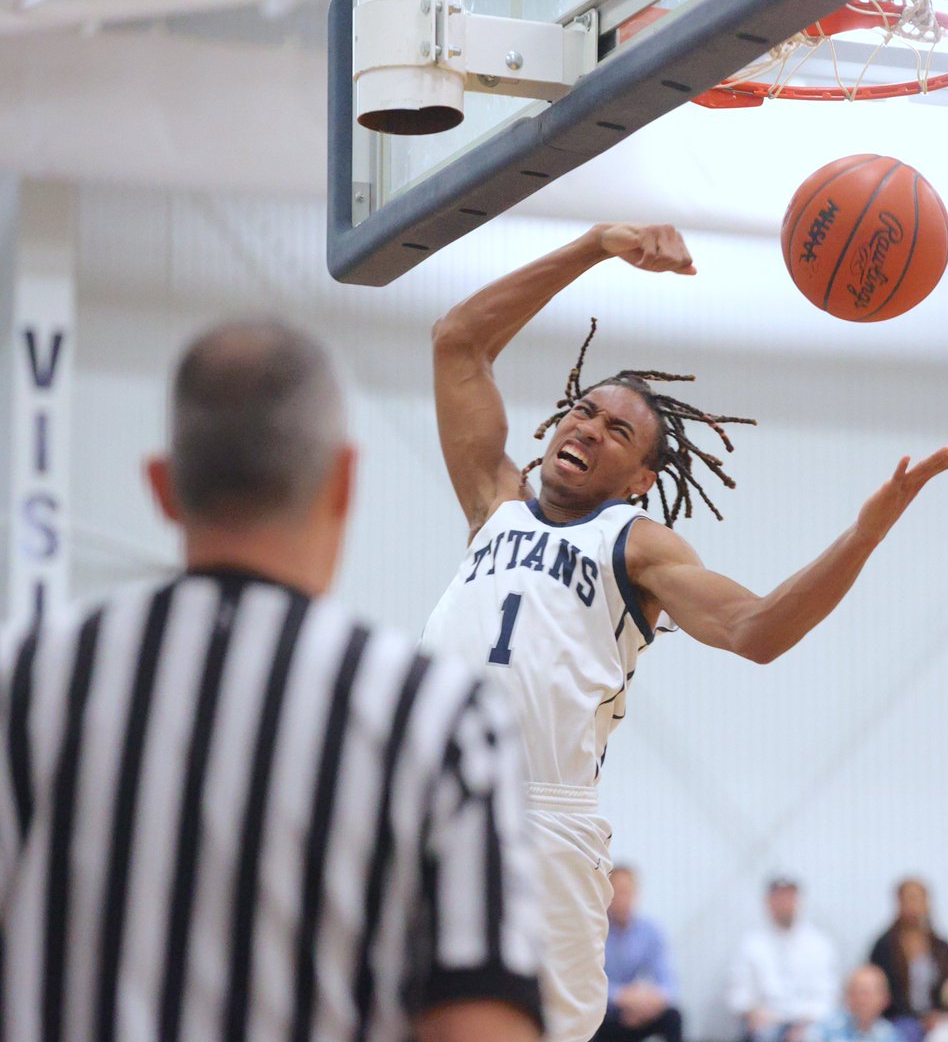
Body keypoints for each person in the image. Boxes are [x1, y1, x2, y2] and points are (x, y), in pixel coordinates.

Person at [421, 222, 948, 1042]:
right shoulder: (491, 500)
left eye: (618, 431)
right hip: (431, 793)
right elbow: (458, 341)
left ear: (643, 479)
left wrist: (863, 535)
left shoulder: (635, 544)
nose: (588, 429)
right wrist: (596, 247)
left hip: (547, 816)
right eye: (583, 410)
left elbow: (757, 629)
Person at [0, 320, 544, 1042]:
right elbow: (480, 1024)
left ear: (163, 487)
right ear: (344, 480)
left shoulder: (26, 676)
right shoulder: (437, 713)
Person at [727, 877, 839, 1042]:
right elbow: (739, 991)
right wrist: (751, 1013)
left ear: (798, 901)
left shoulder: (818, 944)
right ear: (768, 902)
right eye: (778, 898)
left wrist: (802, 1024)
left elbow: (827, 995)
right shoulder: (751, 943)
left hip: (808, 1023)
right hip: (766, 1021)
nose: (784, 904)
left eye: (789, 898)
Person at [593, 864, 683, 1042]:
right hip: (605, 1013)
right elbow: (587, 984)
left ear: (636, 893)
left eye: (627, 891)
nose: (622, 898)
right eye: (617, 892)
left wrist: (649, 1004)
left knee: (673, 1017)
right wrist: (622, 997)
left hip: (637, 1012)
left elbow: (669, 981)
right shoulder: (594, 931)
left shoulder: (650, 931)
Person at [869, 877, 948, 1040]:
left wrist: (941, 1014)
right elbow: (880, 988)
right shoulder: (885, 946)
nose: (914, 905)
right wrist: (917, 1018)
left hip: (938, 1018)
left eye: (919, 898)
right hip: (898, 1019)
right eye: (909, 898)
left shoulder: (941, 947)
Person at [813, 965, 906, 1042]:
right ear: (846, 997)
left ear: (885, 999)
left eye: (867, 993)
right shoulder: (824, 1030)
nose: (862, 1000)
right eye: (855, 992)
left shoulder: (891, 1035)